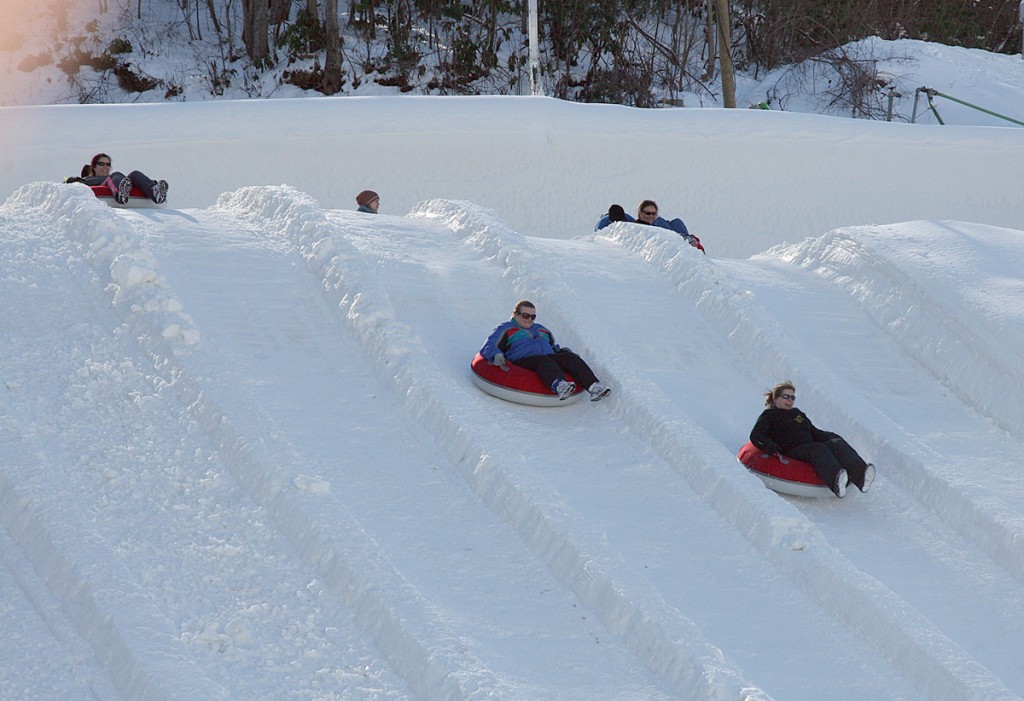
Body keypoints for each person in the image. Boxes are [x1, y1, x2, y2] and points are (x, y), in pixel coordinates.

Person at [749, 381, 875, 498]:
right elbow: (756, 435)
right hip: (791, 450)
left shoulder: (797, 413)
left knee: (836, 444)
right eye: (785, 397)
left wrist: (832, 437)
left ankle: (861, 477)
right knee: (817, 448)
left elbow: (813, 431)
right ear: (775, 398)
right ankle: (836, 481)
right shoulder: (769, 415)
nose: (790, 401)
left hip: (808, 446)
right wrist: (769, 445)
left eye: (792, 397)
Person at [479, 300, 611, 402]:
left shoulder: (541, 329)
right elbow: (489, 345)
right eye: (526, 315)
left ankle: (594, 387)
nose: (529, 319)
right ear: (516, 314)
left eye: (533, 316)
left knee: (569, 358)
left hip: (547, 356)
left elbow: (553, 347)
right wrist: (496, 355)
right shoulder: (506, 329)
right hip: (523, 359)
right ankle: (559, 386)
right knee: (543, 360)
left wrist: (563, 352)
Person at [65, 153, 168, 205]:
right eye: (101, 164)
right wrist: (72, 180)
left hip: (121, 184)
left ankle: (155, 191)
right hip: (111, 187)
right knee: (115, 176)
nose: (105, 167)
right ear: (93, 167)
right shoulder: (86, 179)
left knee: (135, 173)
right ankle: (120, 194)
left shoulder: (118, 179)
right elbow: (66, 184)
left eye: (108, 164)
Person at [635, 199, 705, 253]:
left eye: (654, 213)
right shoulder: (636, 227)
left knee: (677, 222)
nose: (651, 216)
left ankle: (687, 240)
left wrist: (696, 245)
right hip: (671, 242)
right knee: (659, 221)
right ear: (640, 213)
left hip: (681, 241)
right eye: (648, 213)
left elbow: (702, 251)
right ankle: (681, 239)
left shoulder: (666, 224)